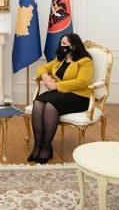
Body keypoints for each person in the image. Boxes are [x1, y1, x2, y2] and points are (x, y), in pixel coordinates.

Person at [28, 33, 93, 163]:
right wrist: (46, 77)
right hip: (61, 93)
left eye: (64, 43)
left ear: (73, 45)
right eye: (61, 43)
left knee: (50, 106)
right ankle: (38, 145)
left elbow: (82, 82)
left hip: (79, 96)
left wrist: (56, 85)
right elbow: (42, 68)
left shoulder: (85, 61)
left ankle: (46, 147)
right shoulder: (60, 59)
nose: (61, 46)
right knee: (38, 102)